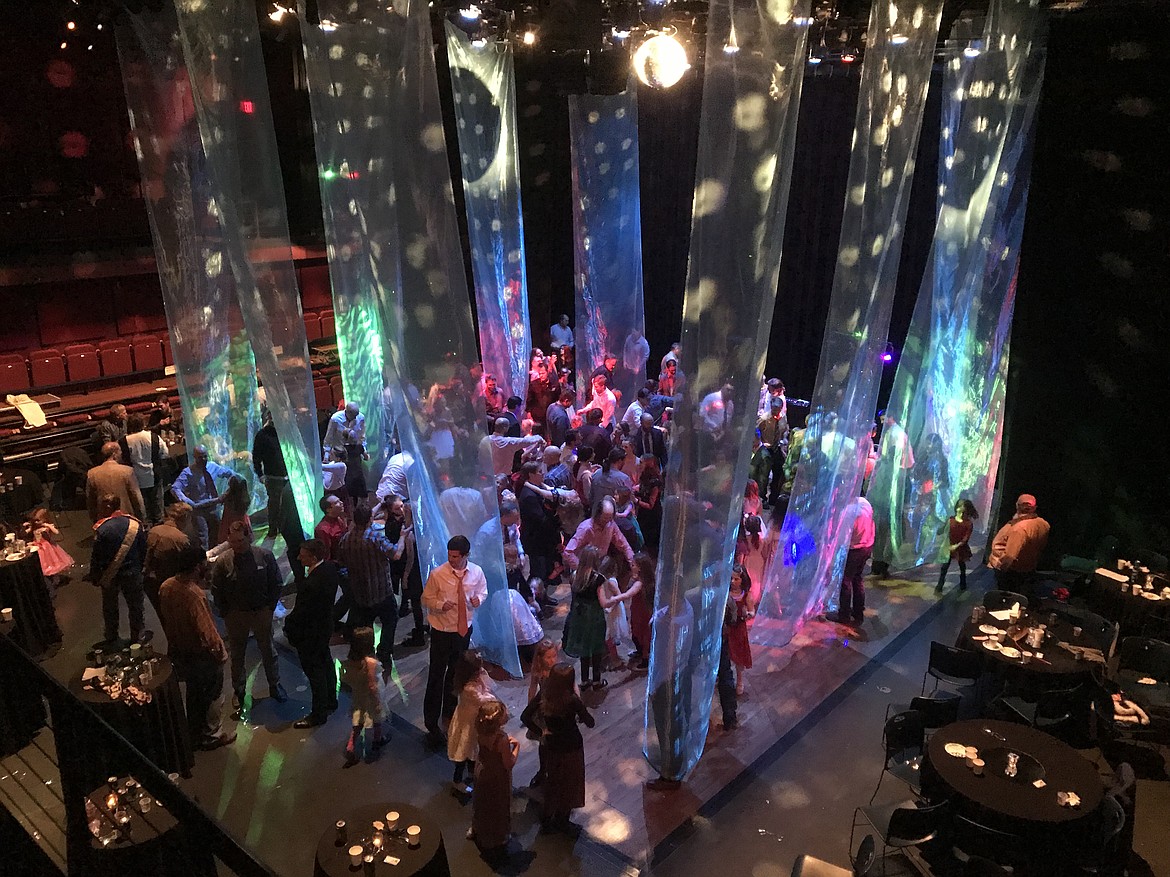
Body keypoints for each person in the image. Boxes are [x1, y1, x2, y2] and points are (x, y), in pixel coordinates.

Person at [159, 544, 236, 751]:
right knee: (213, 695)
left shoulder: (166, 586)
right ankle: (212, 735)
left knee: (194, 694)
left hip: (179, 651)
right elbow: (207, 631)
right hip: (202, 656)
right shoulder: (194, 594)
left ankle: (193, 733)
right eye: (203, 564)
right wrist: (220, 653)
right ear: (196, 567)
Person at [211, 521, 287, 718]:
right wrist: (226, 612)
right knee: (237, 655)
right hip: (236, 615)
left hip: (261, 611)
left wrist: (270, 607)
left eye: (240, 540)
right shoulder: (223, 562)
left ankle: (274, 684)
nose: (237, 545)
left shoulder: (264, 556)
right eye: (233, 541)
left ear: (248, 538)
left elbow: (276, 582)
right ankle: (239, 691)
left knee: (268, 651)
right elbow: (217, 590)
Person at [421, 535, 488, 747]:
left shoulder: (476, 572)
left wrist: (479, 599)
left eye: (456, 556)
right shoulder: (438, 574)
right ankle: (430, 721)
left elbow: (482, 591)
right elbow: (425, 599)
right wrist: (441, 604)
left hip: (462, 631)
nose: (452, 559)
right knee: (436, 675)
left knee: (455, 675)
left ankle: (448, 715)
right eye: (449, 556)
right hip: (442, 630)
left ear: (466, 555)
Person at [524, 663, 594, 832]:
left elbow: (525, 716)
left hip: (552, 746)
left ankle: (547, 820)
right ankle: (562, 821)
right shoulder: (572, 700)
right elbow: (591, 722)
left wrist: (541, 731)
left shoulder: (544, 695)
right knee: (570, 784)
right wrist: (580, 717)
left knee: (553, 782)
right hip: (572, 747)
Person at [337, 502, 401, 673]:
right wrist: (402, 537)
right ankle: (384, 653)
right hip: (381, 591)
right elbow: (395, 554)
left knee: (366, 625)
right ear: (370, 520)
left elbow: (341, 563)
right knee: (390, 620)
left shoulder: (346, 539)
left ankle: (367, 656)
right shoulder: (375, 538)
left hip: (360, 594)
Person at [285, 539, 340, 728]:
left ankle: (318, 714)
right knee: (326, 665)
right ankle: (331, 701)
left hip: (310, 634)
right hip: (324, 628)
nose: (299, 557)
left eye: (303, 554)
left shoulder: (311, 584)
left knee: (315, 673)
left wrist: (288, 625)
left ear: (313, 556)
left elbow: (301, 613)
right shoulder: (331, 570)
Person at [562, 545, 631, 690]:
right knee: (596, 648)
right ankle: (596, 681)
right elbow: (604, 603)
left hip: (579, 617)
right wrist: (620, 597)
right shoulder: (598, 578)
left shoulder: (574, 575)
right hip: (594, 617)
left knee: (584, 649)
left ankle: (585, 681)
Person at [88, 493, 148, 646]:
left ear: (107, 507)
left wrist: (95, 575)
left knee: (110, 607)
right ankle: (138, 637)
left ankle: (111, 636)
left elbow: (97, 556)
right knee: (136, 607)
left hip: (110, 574)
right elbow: (143, 549)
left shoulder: (102, 528)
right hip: (133, 572)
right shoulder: (134, 524)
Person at [252, 412, 304, 582]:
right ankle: (274, 529)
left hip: (289, 475)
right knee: (274, 504)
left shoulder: (285, 431)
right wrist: (260, 474)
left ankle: (290, 527)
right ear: (269, 417)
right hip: (273, 477)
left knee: (290, 505)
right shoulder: (262, 435)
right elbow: (256, 456)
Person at [471, 701, 519, 857]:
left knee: (483, 802)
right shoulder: (501, 739)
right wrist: (517, 746)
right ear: (498, 721)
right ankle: (497, 838)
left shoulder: (480, 730)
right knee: (497, 805)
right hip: (496, 777)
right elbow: (508, 763)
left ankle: (478, 829)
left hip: (482, 771)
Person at [447, 650, 497, 795]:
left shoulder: (476, 678)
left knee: (473, 750)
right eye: (478, 670)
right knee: (463, 752)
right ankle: (457, 781)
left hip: (473, 722)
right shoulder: (468, 689)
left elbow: (487, 687)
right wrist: (493, 699)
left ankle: (472, 772)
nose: (481, 671)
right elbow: (482, 700)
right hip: (467, 725)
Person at [340, 626, 387, 765]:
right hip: (371, 697)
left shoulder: (351, 661)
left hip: (358, 695)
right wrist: (378, 701)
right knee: (376, 718)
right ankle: (377, 740)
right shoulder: (370, 663)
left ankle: (351, 745)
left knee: (358, 721)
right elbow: (372, 684)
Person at [988, 494, 1050, 595]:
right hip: (1028, 569)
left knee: (1006, 599)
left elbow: (1009, 556)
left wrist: (1002, 569)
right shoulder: (1043, 523)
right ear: (1034, 508)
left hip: (1011, 573)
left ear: (1017, 506)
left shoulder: (1019, 528)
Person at [172, 445, 232, 551]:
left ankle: (216, 559)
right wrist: (189, 502)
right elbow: (175, 488)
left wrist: (235, 483)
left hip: (214, 507)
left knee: (217, 534)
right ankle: (204, 562)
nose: (203, 460)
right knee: (203, 538)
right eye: (200, 457)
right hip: (199, 510)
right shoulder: (188, 472)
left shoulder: (212, 466)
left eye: (205, 456)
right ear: (194, 457)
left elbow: (229, 473)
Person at [143, 502, 193, 618]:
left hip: (148, 582)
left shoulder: (153, 531)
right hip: (169, 585)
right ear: (185, 518)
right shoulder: (181, 539)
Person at [563, 497, 635, 571]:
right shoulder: (585, 528)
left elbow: (624, 545)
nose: (607, 521)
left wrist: (633, 562)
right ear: (598, 514)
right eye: (604, 518)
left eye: (609, 518)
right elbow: (568, 552)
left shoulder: (611, 525)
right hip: (584, 566)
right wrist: (580, 569)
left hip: (600, 566)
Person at [837, 495, 875, 628]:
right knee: (857, 578)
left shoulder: (848, 512)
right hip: (867, 545)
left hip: (854, 549)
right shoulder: (865, 502)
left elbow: (843, 537)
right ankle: (858, 611)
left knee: (846, 581)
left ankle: (844, 615)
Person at [86, 442, 145, 523]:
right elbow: (136, 497)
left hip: (103, 519)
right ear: (114, 454)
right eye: (120, 452)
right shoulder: (127, 471)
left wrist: (94, 518)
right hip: (126, 517)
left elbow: (90, 500)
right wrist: (142, 518)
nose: (121, 454)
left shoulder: (92, 473)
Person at [120, 413, 163, 523]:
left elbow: (121, 460)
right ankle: (160, 527)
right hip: (154, 475)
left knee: (142, 508)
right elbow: (165, 453)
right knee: (157, 506)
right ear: (143, 423)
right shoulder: (153, 436)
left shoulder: (124, 441)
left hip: (135, 478)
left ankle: (146, 529)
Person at [322, 401, 369, 503]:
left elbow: (362, 436)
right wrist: (326, 455)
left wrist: (363, 450)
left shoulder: (360, 418)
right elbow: (329, 438)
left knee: (356, 479)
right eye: (353, 415)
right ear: (346, 412)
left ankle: (357, 503)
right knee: (343, 482)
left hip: (354, 454)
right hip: (340, 454)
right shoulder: (335, 419)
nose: (355, 418)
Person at [23, 508, 72, 594]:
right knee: (43, 563)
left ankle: (55, 579)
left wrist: (49, 526)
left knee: (52, 562)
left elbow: (56, 532)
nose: (36, 522)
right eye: (34, 521)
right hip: (38, 546)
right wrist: (28, 527)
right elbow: (27, 532)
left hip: (46, 548)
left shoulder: (45, 528)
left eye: (38, 520)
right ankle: (48, 578)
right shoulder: (34, 527)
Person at [937, 499, 978, 594]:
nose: (960, 509)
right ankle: (940, 584)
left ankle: (963, 583)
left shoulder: (968, 524)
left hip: (960, 548)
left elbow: (965, 538)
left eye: (962, 507)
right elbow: (942, 530)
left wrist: (957, 546)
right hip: (950, 547)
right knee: (944, 567)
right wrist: (937, 530)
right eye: (959, 507)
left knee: (962, 565)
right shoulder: (951, 520)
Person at [726, 565, 755, 695]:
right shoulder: (726, 593)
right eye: (731, 579)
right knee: (726, 653)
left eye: (736, 579)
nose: (733, 582)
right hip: (727, 627)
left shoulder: (746, 595)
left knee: (738, 656)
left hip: (738, 628)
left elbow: (752, 611)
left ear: (742, 579)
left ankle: (740, 680)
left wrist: (748, 614)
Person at [526, 358, 560, 433]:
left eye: (543, 373)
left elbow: (558, 399)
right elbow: (529, 400)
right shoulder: (533, 384)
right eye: (539, 373)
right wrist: (528, 413)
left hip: (550, 415)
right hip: (537, 416)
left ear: (547, 372)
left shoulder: (554, 384)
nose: (541, 375)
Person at [217, 476, 251, 545]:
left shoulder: (228, 496)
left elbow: (220, 500)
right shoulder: (245, 499)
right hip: (241, 521)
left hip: (228, 522)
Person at [314, 494, 348, 561]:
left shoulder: (340, 518)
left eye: (340, 500)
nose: (341, 503)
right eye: (336, 502)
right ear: (328, 510)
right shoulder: (322, 529)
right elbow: (326, 555)